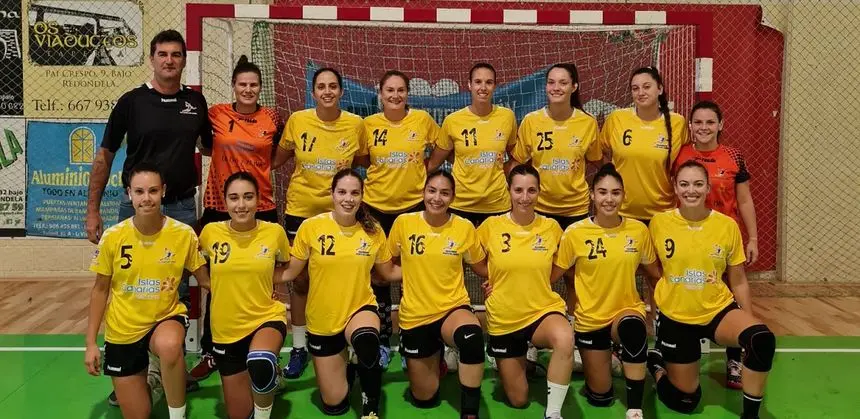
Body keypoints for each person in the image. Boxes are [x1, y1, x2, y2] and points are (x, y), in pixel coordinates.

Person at [85, 29, 212, 405]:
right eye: (162, 54)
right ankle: (131, 367)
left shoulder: (196, 102)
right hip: (137, 207)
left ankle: (173, 365)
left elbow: (209, 146)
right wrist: (92, 210)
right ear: (152, 59)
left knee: (182, 291)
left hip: (182, 208)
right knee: (131, 288)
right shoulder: (131, 102)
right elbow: (106, 155)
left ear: (184, 60)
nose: (169, 60)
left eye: (176, 54)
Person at [647, 160, 776, 419]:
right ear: (675, 187)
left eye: (697, 184)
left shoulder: (727, 226)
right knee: (684, 401)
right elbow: (651, 270)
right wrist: (658, 308)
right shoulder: (659, 223)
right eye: (684, 184)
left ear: (708, 188)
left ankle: (750, 415)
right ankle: (657, 366)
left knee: (760, 340)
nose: (690, 190)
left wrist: (748, 323)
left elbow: (738, 280)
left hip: (717, 309)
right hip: (677, 315)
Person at [85, 163, 208, 419]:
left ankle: (178, 414)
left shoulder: (183, 234)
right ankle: (153, 380)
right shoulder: (113, 236)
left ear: (163, 191)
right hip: (123, 329)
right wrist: (91, 344)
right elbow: (99, 291)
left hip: (165, 317)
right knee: (138, 414)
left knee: (170, 344)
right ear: (129, 194)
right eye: (139, 192)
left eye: (153, 191)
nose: (146, 198)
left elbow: (207, 280)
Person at [275, 169, 400, 419]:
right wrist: (248, 275)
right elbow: (289, 272)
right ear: (332, 194)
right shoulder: (312, 227)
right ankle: (350, 365)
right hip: (323, 319)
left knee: (367, 340)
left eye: (355, 193)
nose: (348, 198)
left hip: (359, 308)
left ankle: (371, 408)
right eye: (342, 192)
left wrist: (430, 265)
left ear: (362, 196)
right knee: (335, 404)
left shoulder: (373, 230)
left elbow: (388, 272)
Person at [189, 55, 283, 382]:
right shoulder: (215, 114)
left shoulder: (272, 117)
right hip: (220, 205)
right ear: (233, 86)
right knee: (219, 282)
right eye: (242, 84)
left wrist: (260, 171)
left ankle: (265, 349)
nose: (247, 89)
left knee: (263, 279)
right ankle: (211, 350)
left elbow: (281, 152)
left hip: (262, 205)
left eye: (253, 85)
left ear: (260, 88)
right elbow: (203, 145)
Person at [271, 67, 366, 379]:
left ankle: (348, 341)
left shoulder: (356, 125)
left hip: (343, 217)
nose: (327, 92)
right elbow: (276, 159)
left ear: (341, 92)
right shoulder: (298, 121)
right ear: (313, 93)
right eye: (321, 87)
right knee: (300, 282)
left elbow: (365, 161)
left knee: (343, 276)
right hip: (302, 211)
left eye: (333, 87)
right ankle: (299, 347)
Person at [553, 163, 661, 419]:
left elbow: (655, 274)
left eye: (615, 193)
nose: (609, 199)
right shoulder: (575, 233)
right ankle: (612, 360)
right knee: (601, 397)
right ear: (592, 195)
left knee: (634, 330)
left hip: (625, 312)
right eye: (602, 192)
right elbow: (550, 276)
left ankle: (635, 409)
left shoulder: (638, 231)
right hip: (590, 321)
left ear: (623, 195)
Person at [382, 170, 485, 419]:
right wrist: (416, 270)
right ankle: (437, 358)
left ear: (452, 198)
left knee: (471, 339)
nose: (437, 198)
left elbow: (482, 267)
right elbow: (387, 269)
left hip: (453, 308)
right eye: (432, 191)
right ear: (424, 192)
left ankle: (470, 413)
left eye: (444, 193)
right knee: (424, 398)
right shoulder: (404, 223)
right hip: (416, 315)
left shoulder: (463, 227)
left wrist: (500, 278)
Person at [355, 70, 440, 368]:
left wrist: (424, 170)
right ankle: (381, 339)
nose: (395, 95)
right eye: (389, 90)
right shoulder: (368, 125)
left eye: (401, 90)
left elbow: (441, 147)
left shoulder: (422, 121)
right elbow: (363, 159)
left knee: (410, 274)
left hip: (413, 208)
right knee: (378, 275)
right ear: (380, 93)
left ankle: (409, 337)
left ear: (407, 93)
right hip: (375, 208)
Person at [475, 164, 573, 419]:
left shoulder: (551, 227)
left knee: (564, 338)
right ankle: (515, 360)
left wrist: (538, 280)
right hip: (505, 318)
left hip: (542, 311)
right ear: (509, 191)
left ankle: (553, 413)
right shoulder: (490, 226)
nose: (524, 197)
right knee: (518, 400)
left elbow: (561, 266)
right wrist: (492, 278)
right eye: (518, 190)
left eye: (531, 190)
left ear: (539, 192)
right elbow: (473, 261)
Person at [674, 100, 760, 389]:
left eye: (710, 122)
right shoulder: (680, 153)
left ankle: (737, 355)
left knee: (734, 295)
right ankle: (682, 349)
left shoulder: (734, 156)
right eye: (698, 122)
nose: (704, 128)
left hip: (724, 240)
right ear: (690, 126)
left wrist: (753, 237)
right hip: (689, 239)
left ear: (720, 125)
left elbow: (745, 200)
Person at [197, 172, 290, 419]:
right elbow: (194, 264)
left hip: (265, 317)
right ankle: (270, 377)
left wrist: (266, 282)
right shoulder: (210, 233)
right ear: (224, 201)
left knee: (261, 361)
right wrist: (211, 284)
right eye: (234, 198)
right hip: (226, 330)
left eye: (248, 197)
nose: (241, 205)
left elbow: (284, 267)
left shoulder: (274, 233)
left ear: (259, 200)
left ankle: (266, 385)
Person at [426, 62, 517, 227]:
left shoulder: (507, 117)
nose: (483, 87)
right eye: (478, 82)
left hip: (496, 204)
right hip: (460, 203)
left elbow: (516, 157)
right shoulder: (453, 121)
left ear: (495, 86)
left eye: (489, 82)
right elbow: (434, 163)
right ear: (469, 84)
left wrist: (497, 171)